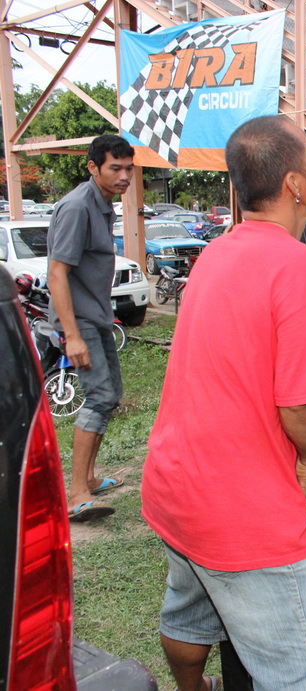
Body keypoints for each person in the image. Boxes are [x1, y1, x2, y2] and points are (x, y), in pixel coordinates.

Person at [141, 115, 306, 691]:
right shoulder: (301, 265)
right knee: (304, 673)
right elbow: (300, 405)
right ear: (295, 184)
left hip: (176, 486)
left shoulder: (216, 251)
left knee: (188, 614)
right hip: (243, 513)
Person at [47, 134, 135, 522]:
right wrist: (72, 336)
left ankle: (89, 479)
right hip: (78, 320)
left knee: (110, 395)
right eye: (115, 168)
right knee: (99, 398)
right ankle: (76, 494)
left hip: (95, 316)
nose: (124, 176)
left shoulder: (102, 203)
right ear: (93, 167)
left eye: (128, 169)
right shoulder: (77, 207)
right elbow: (57, 273)